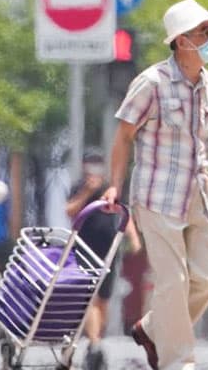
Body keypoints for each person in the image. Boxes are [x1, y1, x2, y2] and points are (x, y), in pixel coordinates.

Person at [103, 0, 208, 370]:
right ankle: (178, 362)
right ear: (181, 41)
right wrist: (115, 185)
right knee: (172, 281)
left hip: (198, 194)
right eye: (203, 31)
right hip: (157, 197)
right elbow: (123, 135)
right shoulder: (151, 83)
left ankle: (154, 328)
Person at [65, 151, 143, 370]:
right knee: (89, 295)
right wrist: (87, 192)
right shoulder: (78, 187)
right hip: (84, 248)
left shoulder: (111, 188)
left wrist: (134, 238)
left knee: (103, 299)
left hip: (109, 250)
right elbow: (70, 211)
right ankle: (94, 342)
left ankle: (96, 340)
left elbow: (123, 214)